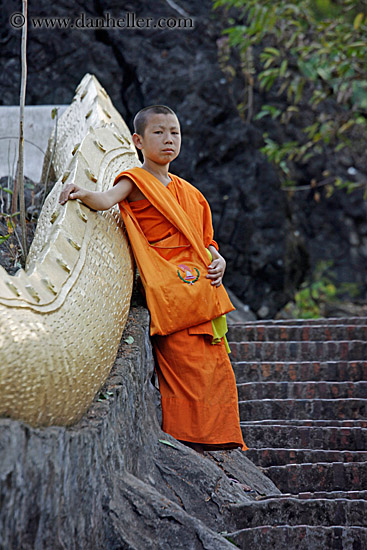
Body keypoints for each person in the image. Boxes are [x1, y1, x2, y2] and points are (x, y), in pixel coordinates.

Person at [59, 105, 247, 453]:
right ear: (138, 141)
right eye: (158, 132)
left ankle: (216, 436)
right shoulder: (135, 180)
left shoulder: (191, 194)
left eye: (174, 132)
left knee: (213, 364)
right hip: (169, 288)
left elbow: (206, 243)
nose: (168, 139)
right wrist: (82, 193)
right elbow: (106, 200)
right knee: (182, 365)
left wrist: (218, 259)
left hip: (200, 288)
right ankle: (186, 437)